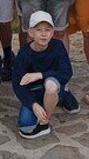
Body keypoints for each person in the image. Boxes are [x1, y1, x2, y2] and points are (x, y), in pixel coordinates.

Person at [12, 11, 74, 139]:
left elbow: (66, 72)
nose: (44, 34)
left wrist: (40, 75)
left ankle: (44, 122)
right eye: (38, 30)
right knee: (26, 128)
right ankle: (47, 104)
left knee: (51, 85)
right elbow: (18, 84)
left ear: (52, 32)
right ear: (31, 33)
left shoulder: (58, 46)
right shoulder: (24, 53)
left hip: (53, 86)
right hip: (34, 92)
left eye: (48, 29)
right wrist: (33, 104)